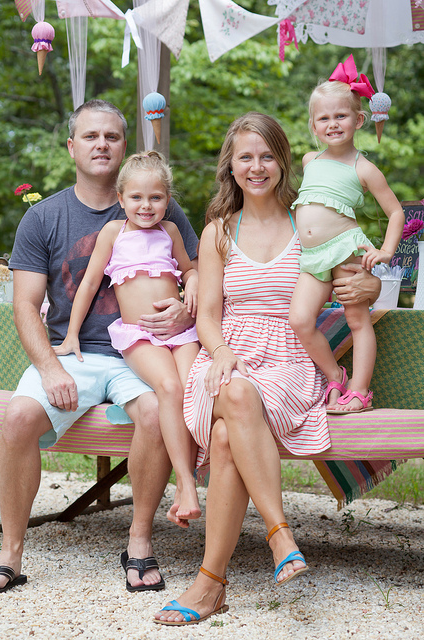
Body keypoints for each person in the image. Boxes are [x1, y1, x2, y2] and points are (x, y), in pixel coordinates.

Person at [153, 112, 381, 625]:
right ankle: (279, 535)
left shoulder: (312, 221)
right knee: (232, 392)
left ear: (283, 160)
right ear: (230, 167)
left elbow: (364, 269)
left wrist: (372, 286)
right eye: (245, 158)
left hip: (288, 363)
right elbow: (207, 315)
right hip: (227, 354)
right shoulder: (217, 232)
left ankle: (212, 582)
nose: (257, 167)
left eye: (266, 156)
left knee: (231, 427)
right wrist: (223, 352)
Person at [0, 100, 199, 595]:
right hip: (77, 355)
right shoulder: (44, 218)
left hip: (144, 351)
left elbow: (199, 278)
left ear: (124, 146)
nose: (101, 144)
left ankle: (139, 541)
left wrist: (184, 308)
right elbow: (26, 305)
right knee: (17, 417)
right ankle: (11, 553)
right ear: (72, 147)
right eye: (90, 136)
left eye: (111, 136)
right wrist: (49, 367)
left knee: (155, 409)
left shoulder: (157, 204)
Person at [54, 151, 201, 522]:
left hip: (181, 332)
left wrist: (194, 282)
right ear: (121, 200)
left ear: (168, 200)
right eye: (136, 197)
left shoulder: (169, 231)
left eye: (156, 197)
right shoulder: (112, 233)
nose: (146, 205)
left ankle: (202, 470)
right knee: (169, 387)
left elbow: (189, 269)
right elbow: (88, 284)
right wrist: (72, 335)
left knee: (194, 387)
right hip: (139, 336)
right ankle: (186, 484)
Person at [289, 55, 404, 414]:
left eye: (341, 116)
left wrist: (386, 250)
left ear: (358, 120)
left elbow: (396, 211)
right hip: (311, 256)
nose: (332, 124)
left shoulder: (363, 167)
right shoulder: (310, 160)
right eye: (324, 118)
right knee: (300, 319)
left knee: (357, 319)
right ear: (313, 125)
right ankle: (334, 375)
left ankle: (359, 391)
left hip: (346, 249)